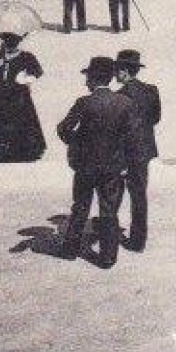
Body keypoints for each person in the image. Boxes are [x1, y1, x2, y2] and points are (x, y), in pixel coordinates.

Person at [56, 55, 136, 266]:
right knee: (109, 211)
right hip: (113, 167)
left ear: (92, 79)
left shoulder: (84, 102)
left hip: (85, 166)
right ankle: (108, 257)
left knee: (80, 207)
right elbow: (131, 138)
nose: (85, 82)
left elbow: (63, 128)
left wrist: (77, 143)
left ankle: (70, 249)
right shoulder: (125, 103)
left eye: (87, 77)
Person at [114, 49, 160, 253]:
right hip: (144, 150)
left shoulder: (119, 96)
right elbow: (156, 119)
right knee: (139, 195)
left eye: (117, 70)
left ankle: (110, 231)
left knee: (114, 194)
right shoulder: (151, 90)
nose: (115, 74)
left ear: (124, 71)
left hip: (124, 152)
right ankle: (138, 239)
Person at [0, 32, 45, 163]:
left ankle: (22, 150)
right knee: (0, 121)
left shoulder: (26, 57)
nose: (10, 45)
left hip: (20, 96)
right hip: (1, 96)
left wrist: (26, 78)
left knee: (21, 121)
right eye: (8, 41)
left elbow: (37, 72)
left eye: (13, 42)